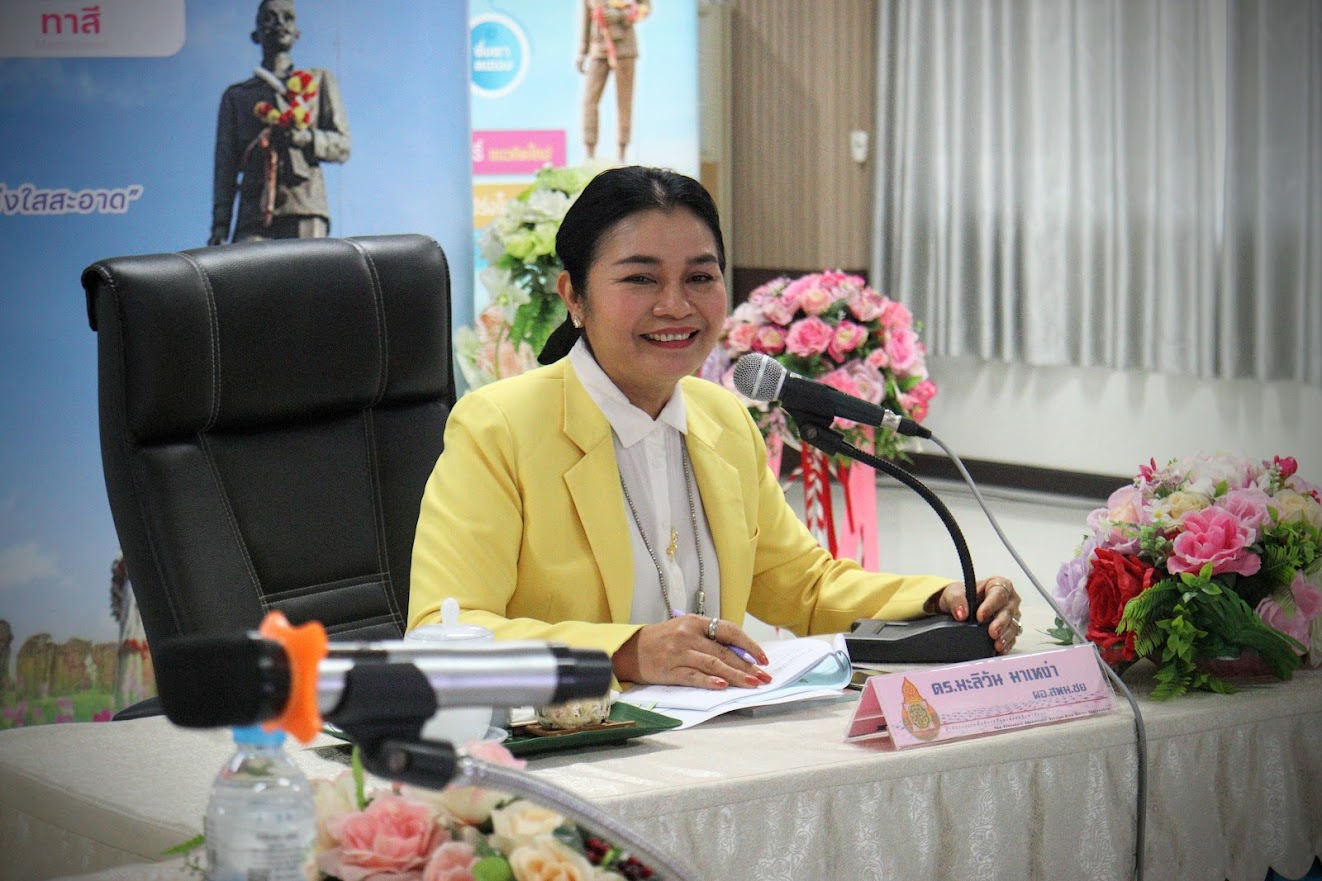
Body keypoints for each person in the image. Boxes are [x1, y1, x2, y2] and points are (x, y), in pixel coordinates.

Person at [409, 166, 1022, 690]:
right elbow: (440, 634)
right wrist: (627, 653)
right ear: (574, 295)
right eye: (640, 278)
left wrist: (941, 599)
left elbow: (803, 588)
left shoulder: (722, 417)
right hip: (569, 752)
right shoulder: (500, 427)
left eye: (700, 277)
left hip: (708, 744)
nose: (676, 305)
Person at [209, 0, 351, 246]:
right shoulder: (237, 96)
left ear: (297, 32)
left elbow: (342, 144)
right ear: (256, 33)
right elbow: (225, 167)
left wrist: (307, 138)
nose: (280, 24)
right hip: (253, 212)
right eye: (270, 18)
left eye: (288, 18)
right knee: (247, 281)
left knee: (309, 282)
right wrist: (220, 224)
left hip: (305, 205)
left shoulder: (319, 81)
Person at [578, 0, 649, 161]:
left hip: (625, 47)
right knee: (589, 101)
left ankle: (622, 152)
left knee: (624, 103)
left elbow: (645, 8)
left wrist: (621, 15)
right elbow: (586, 20)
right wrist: (583, 52)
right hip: (598, 48)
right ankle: (590, 153)